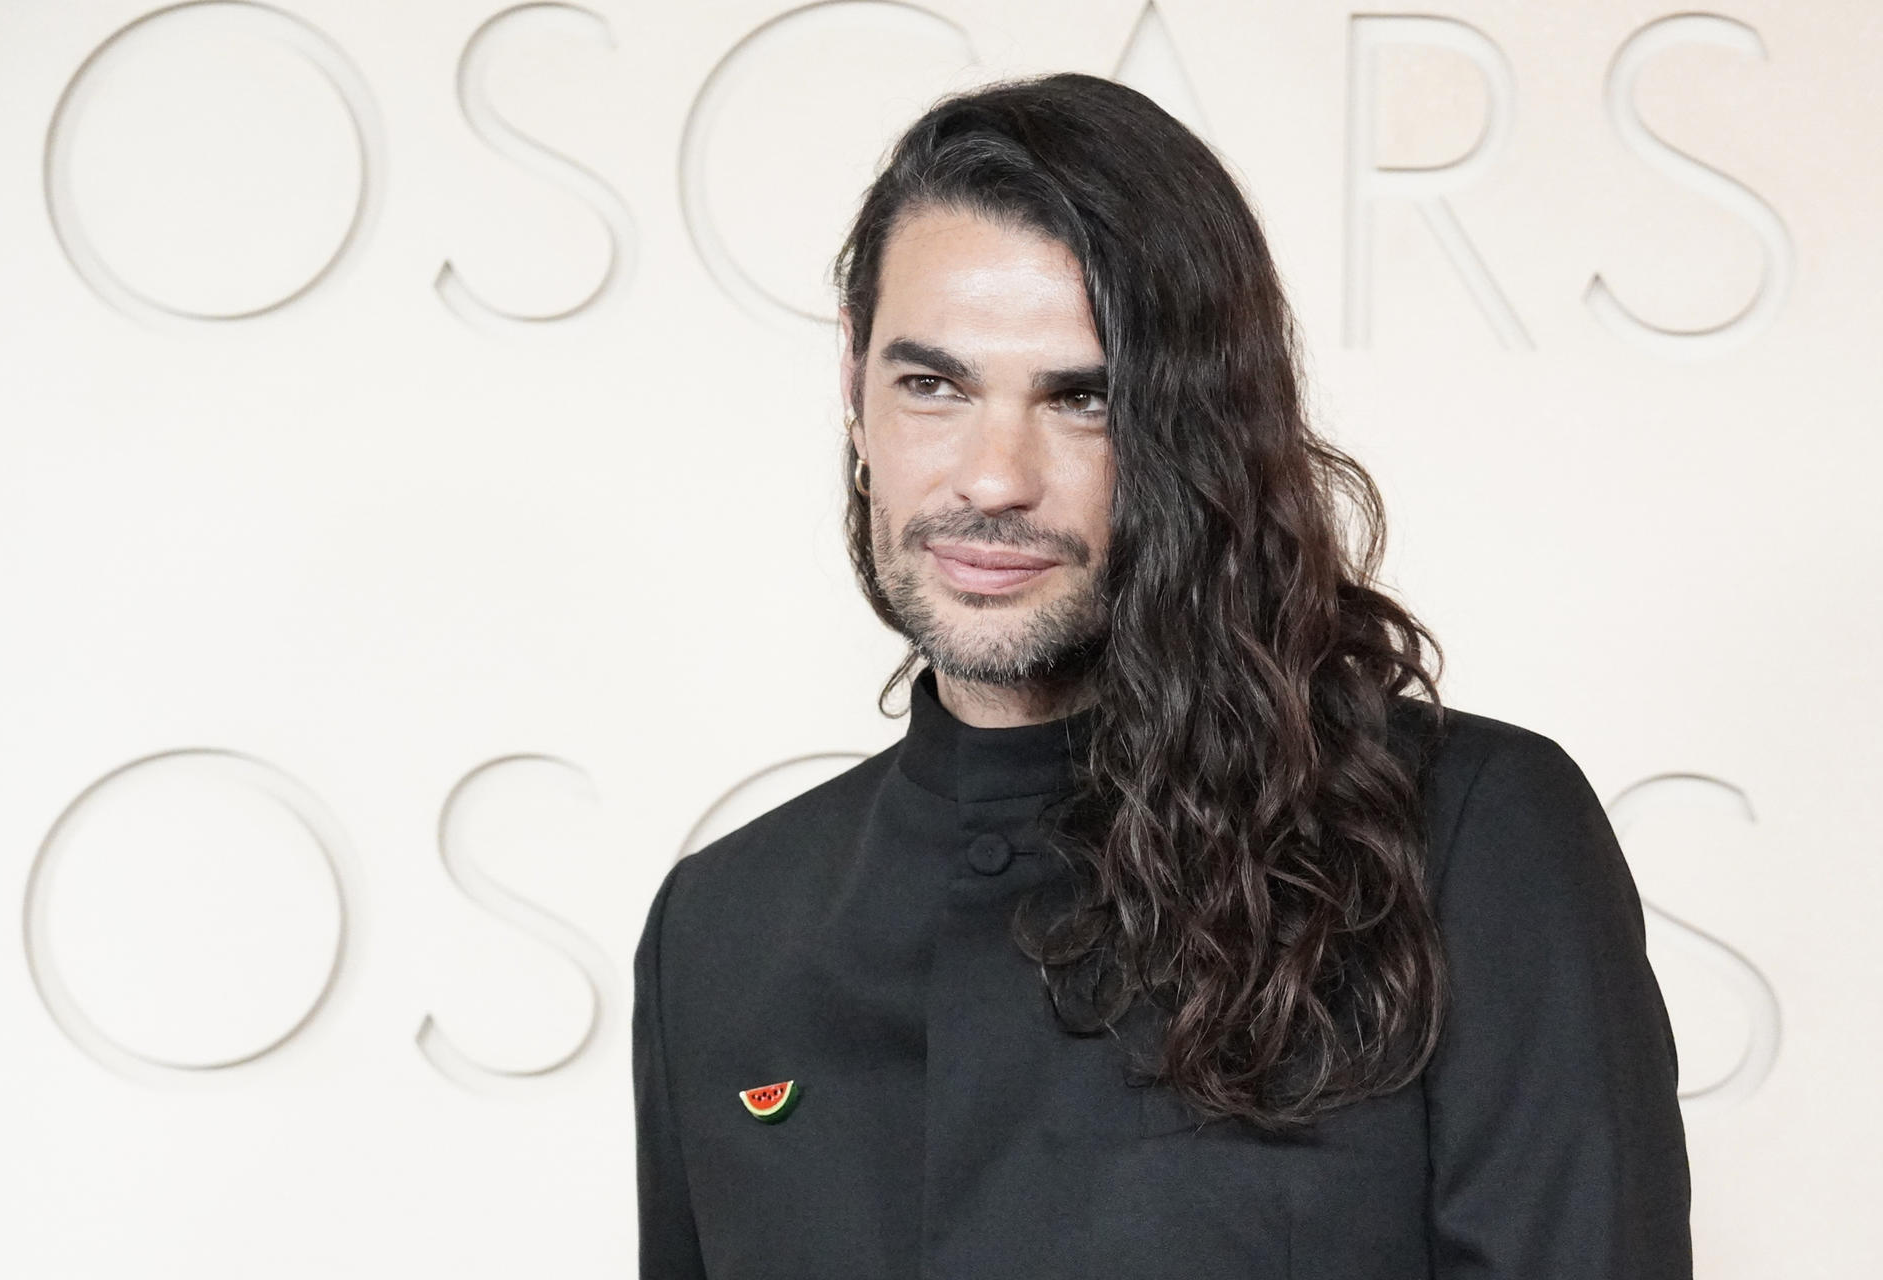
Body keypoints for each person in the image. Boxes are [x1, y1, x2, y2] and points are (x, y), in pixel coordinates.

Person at [632, 71, 1691, 1279]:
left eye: (1083, 400)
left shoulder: (1468, 839)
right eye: (933, 384)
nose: (992, 479)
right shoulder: (719, 930)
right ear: (854, 390)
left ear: (1198, 422)